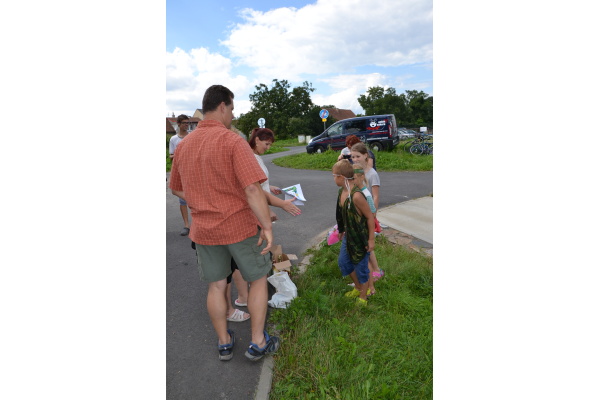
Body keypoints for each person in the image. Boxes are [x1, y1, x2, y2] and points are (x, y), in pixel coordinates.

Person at [169, 84, 280, 362]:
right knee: (257, 280)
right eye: (231, 109)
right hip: (239, 226)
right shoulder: (232, 141)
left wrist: (202, 200)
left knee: (217, 286)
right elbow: (252, 188)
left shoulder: (183, 145)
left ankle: (224, 342)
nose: (233, 115)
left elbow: (176, 188)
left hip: (204, 230)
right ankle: (257, 342)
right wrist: (266, 226)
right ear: (222, 106)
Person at [230, 127, 302, 309]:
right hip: (256, 211)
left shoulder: (256, 157)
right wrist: (271, 209)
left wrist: (271, 187)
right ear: (256, 140)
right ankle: (256, 292)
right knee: (259, 250)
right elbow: (254, 190)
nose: (268, 148)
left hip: (260, 206)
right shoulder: (249, 158)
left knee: (266, 247)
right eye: (266, 144)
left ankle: (272, 283)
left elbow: (260, 184)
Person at [332, 159, 375, 305]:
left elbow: (370, 217)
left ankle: (363, 296)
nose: (333, 179)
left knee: (361, 267)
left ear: (341, 177)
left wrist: (371, 239)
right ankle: (358, 287)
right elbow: (340, 213)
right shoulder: (341, 192)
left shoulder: (357, 196)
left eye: (334, 176)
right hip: (348, 236)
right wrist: (341, 229)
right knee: (343, 262)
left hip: (361, 238)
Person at [351, 142, 385, 282]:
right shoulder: (355, 171)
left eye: (358, 156)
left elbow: (375, 195)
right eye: (353, 156)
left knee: (366, 243)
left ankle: (375, 270)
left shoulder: (372, 174)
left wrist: (373, 213)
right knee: (364, 243)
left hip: (367, 213)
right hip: (358, 212)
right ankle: (373, 270)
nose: (355, 159)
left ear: (365, 155)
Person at [169, 114, 191, 236]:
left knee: (196, 197)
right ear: (178, 124)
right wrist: (180, 154)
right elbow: (171, 156)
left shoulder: (192, 136)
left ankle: (197, 223)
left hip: (192, 171)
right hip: (180, 172)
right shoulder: (174, 139)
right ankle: (186, 225)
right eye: (184, 123)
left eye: (188, 123)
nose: (186, 125)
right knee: (183, 200)